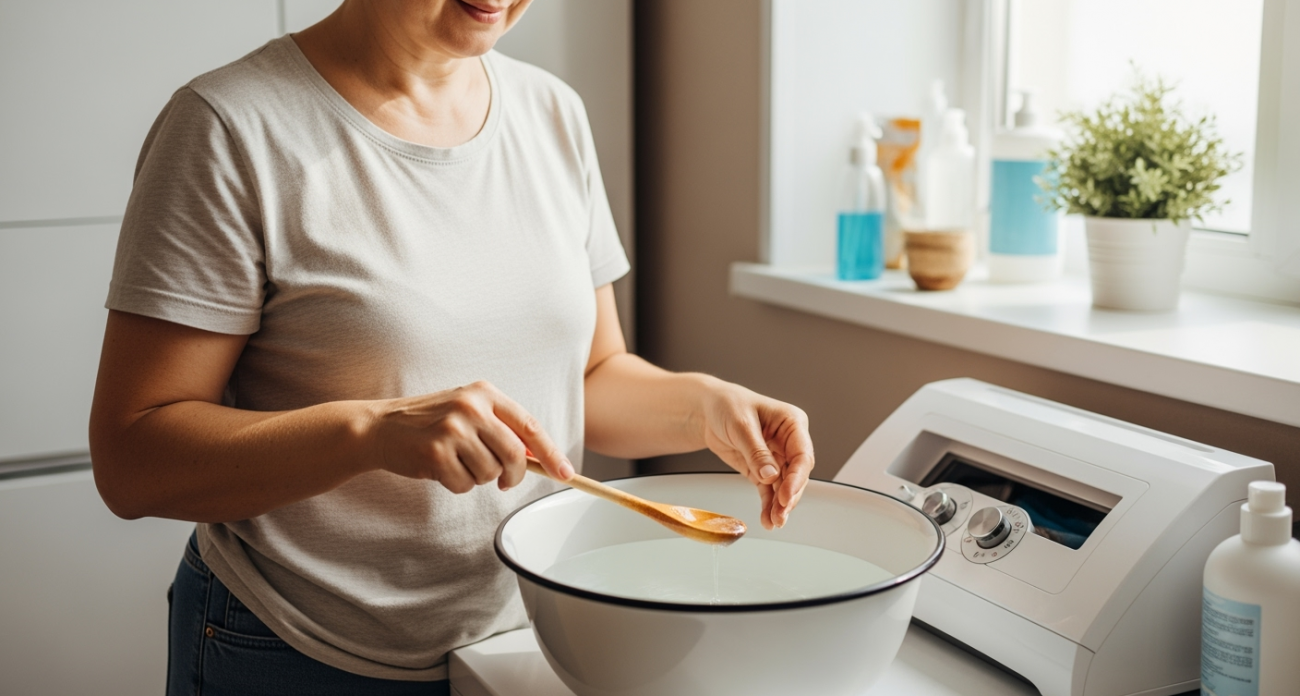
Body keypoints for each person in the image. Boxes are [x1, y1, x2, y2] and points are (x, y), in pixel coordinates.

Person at [88, 1, 815, 694]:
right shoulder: (230, 127)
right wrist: (373, 432)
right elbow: (133, 459)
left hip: (518, 635)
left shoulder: (552, 112)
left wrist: (706, 408)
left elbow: (588, 376)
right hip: (295, 647)